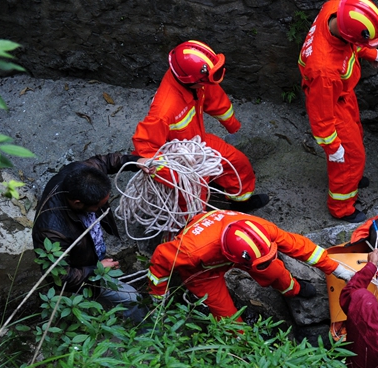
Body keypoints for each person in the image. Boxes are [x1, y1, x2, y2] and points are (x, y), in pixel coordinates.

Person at [132, 40, 268, 212]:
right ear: (190, 80)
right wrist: (175, 177)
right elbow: (146, 148)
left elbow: (215, 98)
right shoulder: (164, 109)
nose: (209, 84)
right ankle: (186, 229)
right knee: (192, 199)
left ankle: (240, 203)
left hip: (198, 143)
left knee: (237, 163)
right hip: (178, 159)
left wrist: (231, 124)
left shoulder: (197, 81)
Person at [147, 210, 352, 319]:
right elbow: (159, 264)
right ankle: (241, 344)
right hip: (203, 272)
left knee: (275, 271)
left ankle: (294, 290)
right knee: (225, 316)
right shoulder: (190, 251)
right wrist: (158, 297)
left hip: (243, 255)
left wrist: (336, 268)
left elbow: (301, 247)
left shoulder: (261, 230)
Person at [298, 0, 378, 223]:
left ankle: (352, 179)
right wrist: (331, 145)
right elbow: (321, 113)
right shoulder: (323, 69)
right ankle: (342, 207)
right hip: (331, 101)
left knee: (356, 136)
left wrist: (367, 52)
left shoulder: (337, 7)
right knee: (349, 158)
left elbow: (350, 40)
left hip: (342, 95)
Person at [32, 153, 146, 323]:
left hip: (88, 249)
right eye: (98, 206)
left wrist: (135, 162)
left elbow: (105, 161)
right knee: (132, 299)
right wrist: (97, 269)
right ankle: (145, 334)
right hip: (82, 270)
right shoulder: (51, 231)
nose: (103, 209)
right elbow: (59, 276)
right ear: (78, 203)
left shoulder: (82, 173)